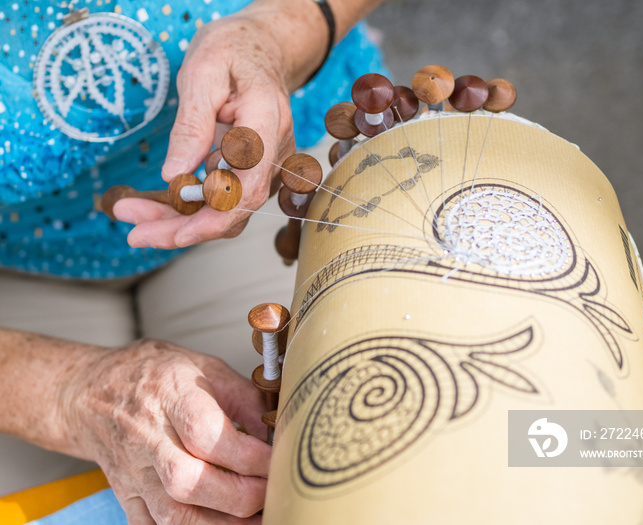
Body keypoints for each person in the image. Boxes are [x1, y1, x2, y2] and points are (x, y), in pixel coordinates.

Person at [0, 0, 385, 522]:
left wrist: (276, 34)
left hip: (280, 176)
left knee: (339, 464)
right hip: (17, 280)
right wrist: (67, 390)